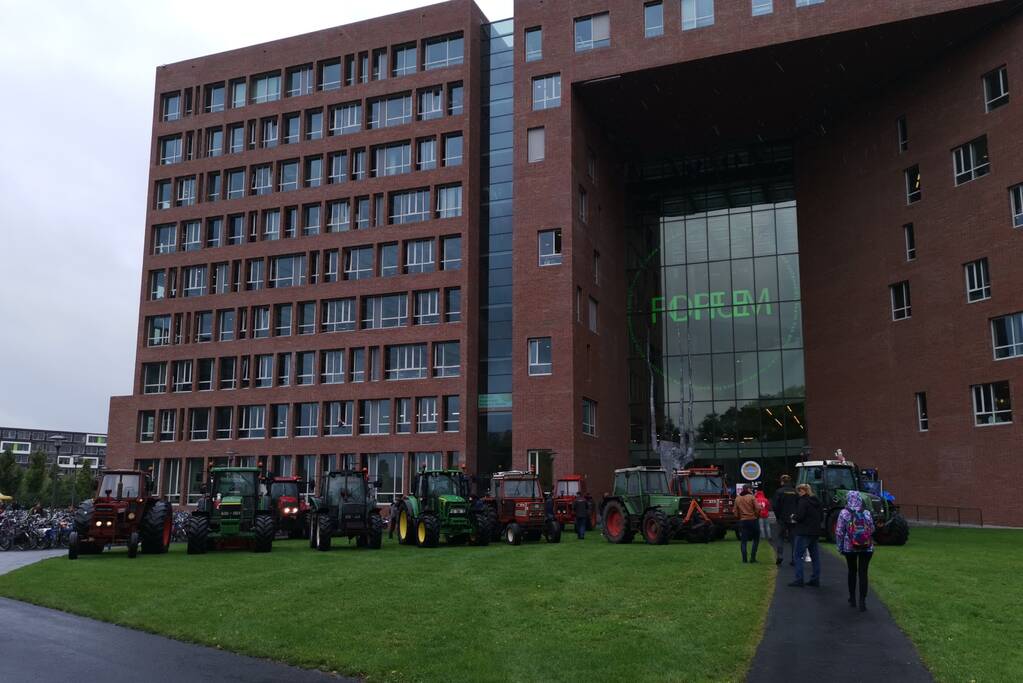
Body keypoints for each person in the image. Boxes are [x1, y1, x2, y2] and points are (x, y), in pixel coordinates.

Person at [835, 490, 875, 612]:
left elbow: (839, 532)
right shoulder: (867, 512)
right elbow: (872, 529)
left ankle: (852, 598)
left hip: (850, 547)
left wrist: (840, 547)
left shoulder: (844, 513)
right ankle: (862, 602)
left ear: (847, 499)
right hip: (867, 547)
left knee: (852, 571)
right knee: (863, 573)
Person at [789, 484, 823, 587]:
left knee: (798, 555)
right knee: (815, 557)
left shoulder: (803, 502)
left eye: (799, 491)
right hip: (815, 532)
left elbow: (800, 516)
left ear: (802, 491)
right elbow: (821, 517)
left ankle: (799, 579)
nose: (798, 493)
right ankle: (815, 579)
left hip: (803, 531)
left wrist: (793, 516)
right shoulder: (817, 502)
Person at [771, 474, 799, 566]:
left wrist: (778, 516)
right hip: (793, 518)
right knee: (793, 538)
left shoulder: (779, 492)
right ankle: (794, 558)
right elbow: (799, 505)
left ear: (782, 481)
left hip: (782, 518)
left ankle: (780, 555)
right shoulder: (795, 492)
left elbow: (775, 506)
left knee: (780, 537)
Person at [733, 485, 759, 563]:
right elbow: (757, 508)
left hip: (743, 521)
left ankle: (744, 559)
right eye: (751, 489)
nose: (752, 490)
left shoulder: (737, 498)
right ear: (748, 489)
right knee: (756, 539)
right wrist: (756, 515)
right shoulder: (752, 497)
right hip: (753, 520)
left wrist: (739, 517)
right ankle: (753, 558)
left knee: (743, 541)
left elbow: (735, 511)